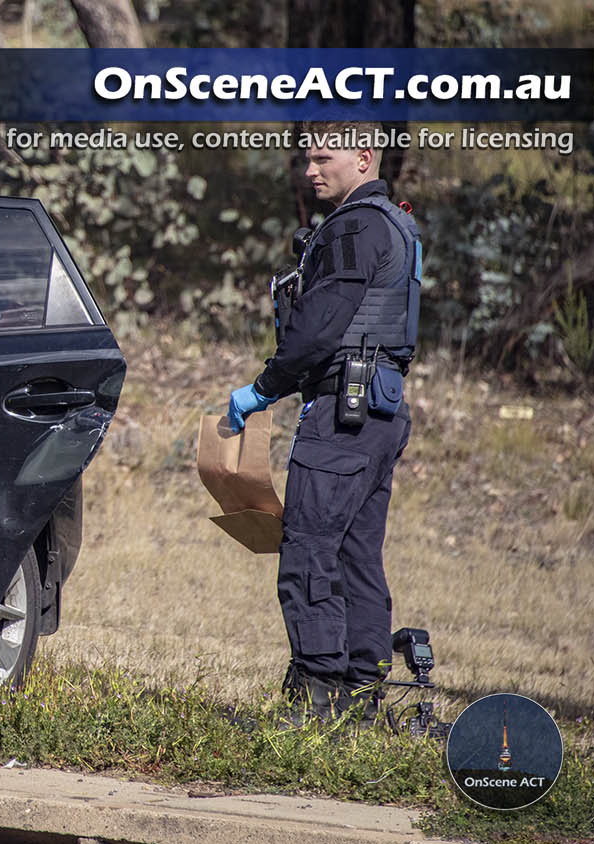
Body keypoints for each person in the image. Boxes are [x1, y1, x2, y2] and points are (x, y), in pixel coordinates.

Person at [225, 121, 420, 723]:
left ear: (363, 158)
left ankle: (316, 699)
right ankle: (363, 698)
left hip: (343, 413)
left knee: (310, 550)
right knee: (357, 556)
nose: (310, 171)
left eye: (323, 159)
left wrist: (263, 389)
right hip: (379, 412)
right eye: (306, 159)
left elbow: (318, 327)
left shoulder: (356, 226)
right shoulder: (396, 222)